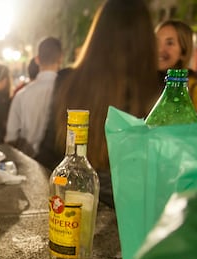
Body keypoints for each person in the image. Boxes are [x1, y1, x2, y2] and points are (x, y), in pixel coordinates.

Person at [36, 0, 159, 208]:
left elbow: (48, 155)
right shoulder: (161, 89)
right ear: (147, 38)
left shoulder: (68, 81)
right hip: (138, 216)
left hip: (74, 210)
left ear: (98, 36)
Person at [156, 20, 197, 123]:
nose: (159, 49)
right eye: (156, 42)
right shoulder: (145, 87)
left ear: (184, 51)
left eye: (169, 43)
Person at [5, 37, 62, 157]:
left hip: (28, 162)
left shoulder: (22, 94)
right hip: (58, 164)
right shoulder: (67, 93)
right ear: (60, 59)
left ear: (37, 60)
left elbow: (11, 137)